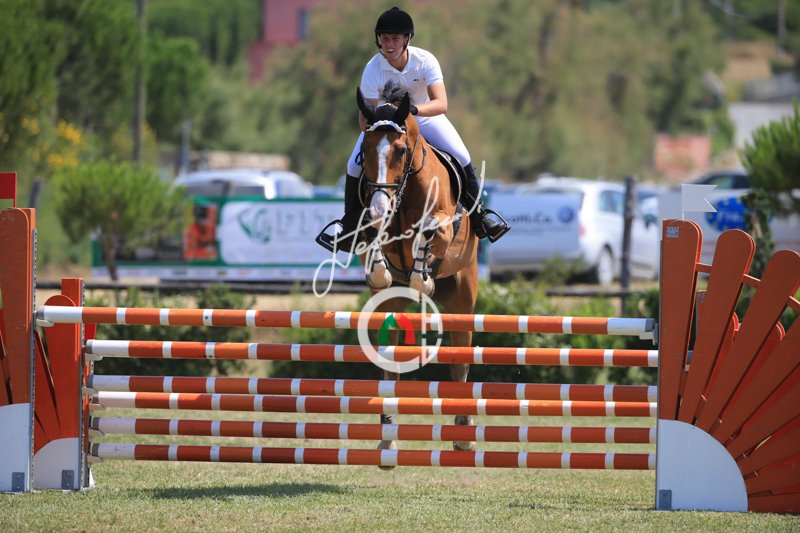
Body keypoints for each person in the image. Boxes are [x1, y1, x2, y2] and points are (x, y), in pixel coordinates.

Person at [318, 6, 510, 252]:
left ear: (407, 39)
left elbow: (441, 103)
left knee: (461, 155)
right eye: (385, 38)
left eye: (395, 38)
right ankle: (349, 226)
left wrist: (413, 110)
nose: (389, 44)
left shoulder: (425, 60)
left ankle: (480, 216)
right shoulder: (373, 68)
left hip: (424, 117)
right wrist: (381, 128)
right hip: (387, 126)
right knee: (352, 166)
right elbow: (365, 117)